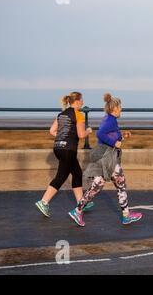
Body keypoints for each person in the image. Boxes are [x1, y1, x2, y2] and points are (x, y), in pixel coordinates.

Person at [68, 93, 142, 227]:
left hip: (105, 159)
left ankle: (77, 211)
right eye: (120, 108)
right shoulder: (110, 120)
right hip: (109, 160)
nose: (121, 110)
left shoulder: (109, 119)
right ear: (115, 109)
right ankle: (126, 216)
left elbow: (112, 135)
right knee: (121, 184)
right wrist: (114, 143)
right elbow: (100, 134)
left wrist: (123, 136)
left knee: (97, 184)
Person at [35, 91, 93, 217]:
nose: (83, 102)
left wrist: (62, 138)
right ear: (77, 101)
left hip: (58, 148)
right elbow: (81, 135)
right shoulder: (78, 115)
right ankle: (44, 202)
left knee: (77, 173)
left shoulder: (61, 114)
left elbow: (52, 131)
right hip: (68, 150)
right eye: (82, 100)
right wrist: (88, 130)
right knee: (61, 177)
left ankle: (81, 203)